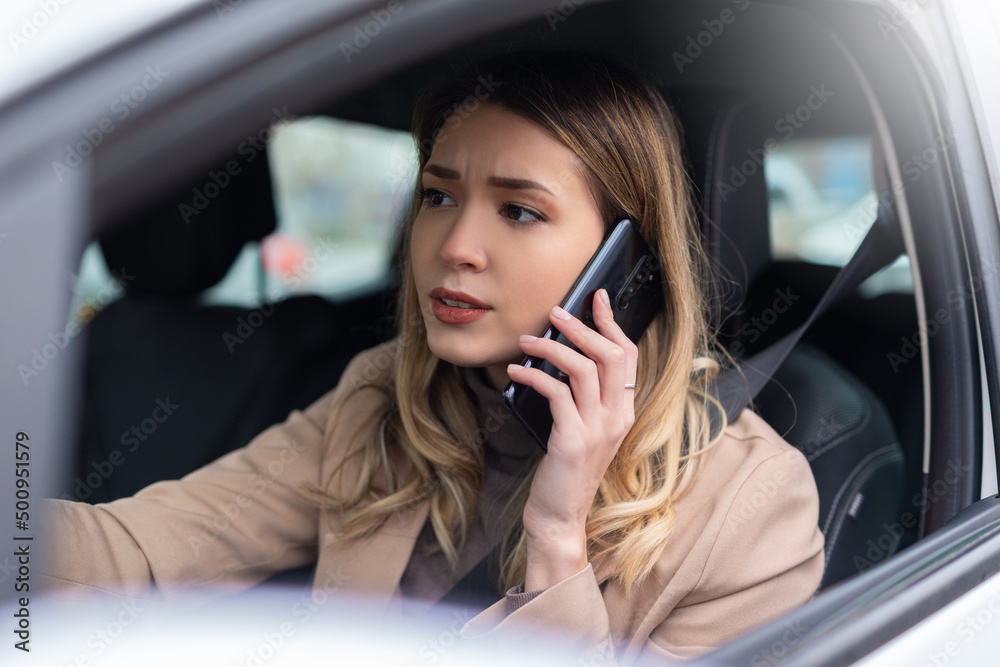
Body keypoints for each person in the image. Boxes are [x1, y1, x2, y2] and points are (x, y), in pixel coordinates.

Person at [40, 50, 824, 663]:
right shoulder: (383, 398)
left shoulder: (753, 513)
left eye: (519, 210)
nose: (454, 247)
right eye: (439, 196)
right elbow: (145, 550)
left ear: (629, 266)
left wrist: (557, 534)